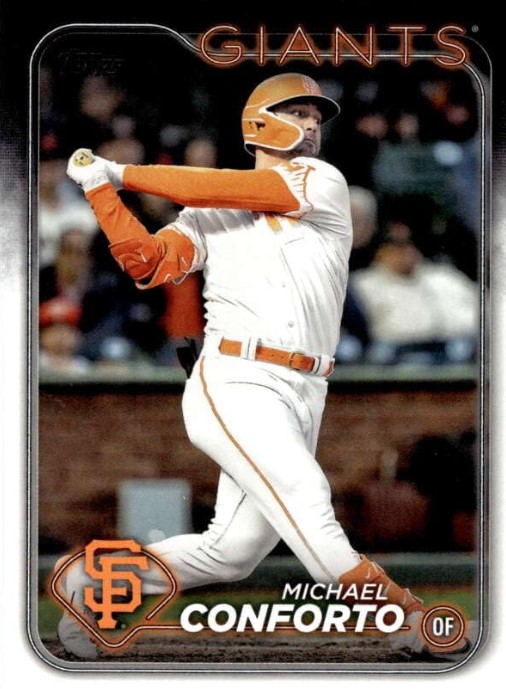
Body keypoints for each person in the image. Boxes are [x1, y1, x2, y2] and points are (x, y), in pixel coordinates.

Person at [56, 73, 468, 661]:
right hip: (236, 377)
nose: (311, 125)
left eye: (315, 117)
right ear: (259, 122)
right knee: (307, 496)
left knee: (232, 552)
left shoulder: (320, 181)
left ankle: (88, 583)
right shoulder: (208, 212)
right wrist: (102, 191)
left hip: (306, 386)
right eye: (297, 112)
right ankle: (407, 617)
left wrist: (120, 172)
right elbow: (147, 264)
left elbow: (229, 187)